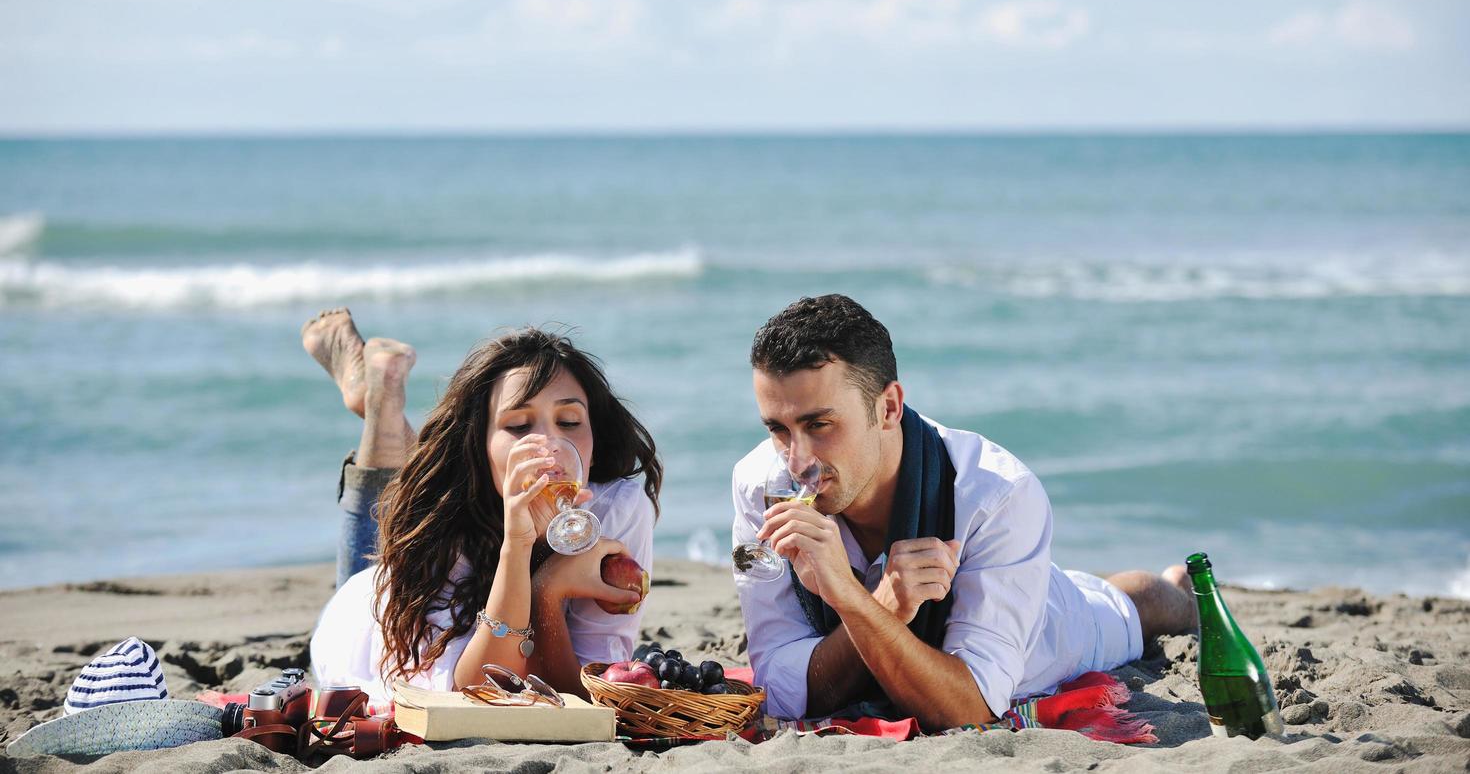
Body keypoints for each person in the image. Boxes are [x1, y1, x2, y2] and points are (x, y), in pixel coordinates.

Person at [732, 294, 1197, 730]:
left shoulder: (996, 492)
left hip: (1055, 629)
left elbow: (969, 709)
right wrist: (882, 608)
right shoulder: (762, 486)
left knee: (1134, 605)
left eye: (819, 424)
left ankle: (1179, 590)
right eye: (779, 429)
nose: (797, 460)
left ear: (889, 407)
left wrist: (851, 601)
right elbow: (778, 688)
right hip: (984, 600)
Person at [300, 309, 661, 708]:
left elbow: (591, 690)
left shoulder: (619, 510)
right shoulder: (446, 524)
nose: (548, 444)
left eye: (570, 420)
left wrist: (547, 593)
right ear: (482, 445)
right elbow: (479, 691)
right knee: (399, 519)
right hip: (370, 620)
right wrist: (518, 549)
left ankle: (379, 401)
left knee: (419, 482)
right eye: (519, 426)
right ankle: (379, 400)